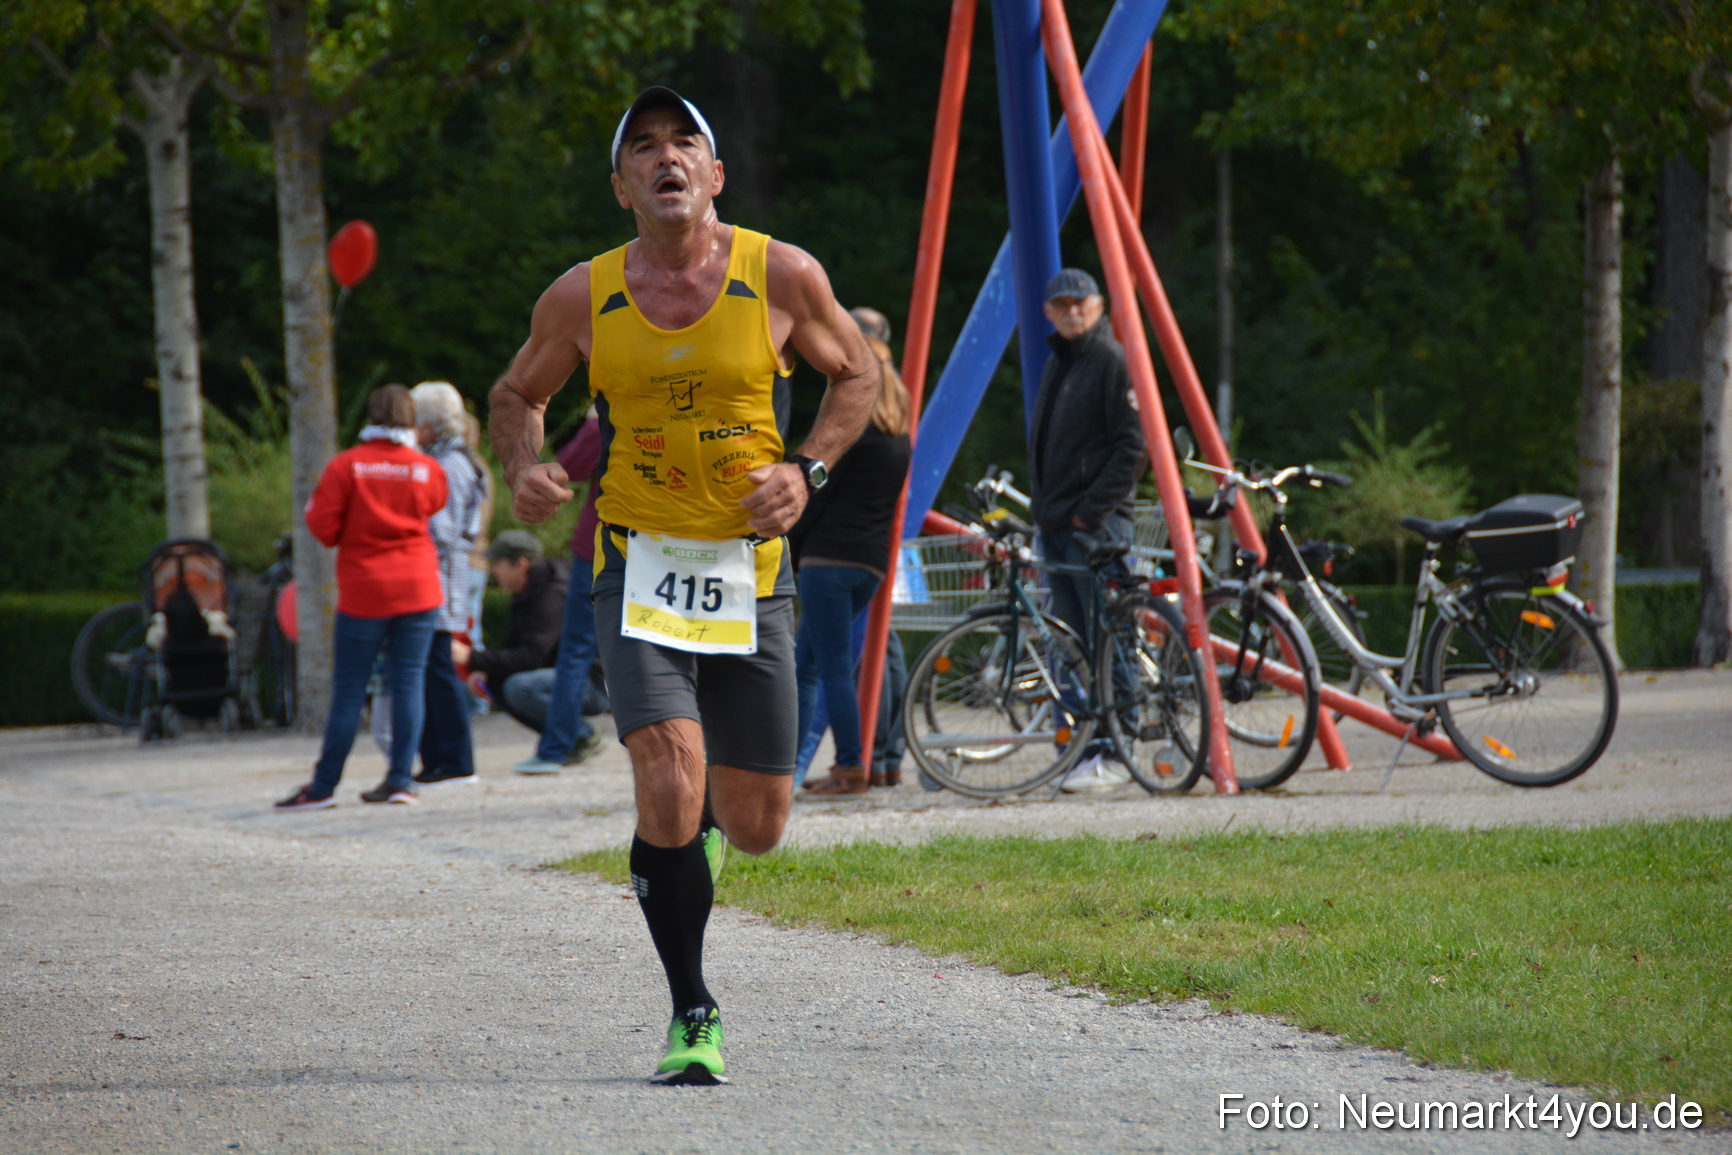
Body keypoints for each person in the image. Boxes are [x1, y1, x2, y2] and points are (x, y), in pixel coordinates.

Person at [488, 86, 876, 1085]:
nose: (666, 157)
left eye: (684, 143)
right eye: (644, 147)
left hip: (751, 573)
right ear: (622, 187)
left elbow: (858, 375)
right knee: (666, 777)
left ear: (715, 175)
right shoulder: (582, 295)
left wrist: (808, 469)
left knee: (755, 826)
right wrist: (523, 465)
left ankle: (685, 839)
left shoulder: (781, 274)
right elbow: (517, 392)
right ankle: (692, 1009)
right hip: (638, 565)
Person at [274, 384, 447, 811]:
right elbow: (436, 505)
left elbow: (322, 526)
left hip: (365, 590)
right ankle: (401, 780)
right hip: (418, 586)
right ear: (411, 418)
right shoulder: (426, 467)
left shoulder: (346, 465)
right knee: (409, 683)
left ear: (371, 415)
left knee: (350, 689)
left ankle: (323, 786)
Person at [1027, 268, 1148, 793]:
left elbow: (1133, 445)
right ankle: (1097, 745)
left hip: (1092, 526)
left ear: (1099, 307)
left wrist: (1090, 512)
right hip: (1059, 522)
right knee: (1076, 644)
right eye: (1062, 304)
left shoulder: (1110, 359)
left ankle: (1122, 749)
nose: (1072, 311)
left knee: (1107, 637)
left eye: (1081, 303)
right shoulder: (1060, 361)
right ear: (1048, 313)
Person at [794, 319, 912, 795]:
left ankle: (848, 765)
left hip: (828, 560)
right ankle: (787, 767)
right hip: (870, 563)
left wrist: (790, 546)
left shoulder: (853, 434)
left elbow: (816, 496)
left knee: (830, 669)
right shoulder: (899, 439)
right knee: (807, 665)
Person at [510, 412, 610, 774]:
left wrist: (594, 421)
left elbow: (569, 470)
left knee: (576, 650)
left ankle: (557, 747)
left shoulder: (617, 410)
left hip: (602, 545)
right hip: (664, 547)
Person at [410, 381, 487, 787]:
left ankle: (456, 760)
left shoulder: (450, 465)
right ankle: (439, 759)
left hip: (441, 578)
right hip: (438, 576)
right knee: (431, 668)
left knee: (438, 668)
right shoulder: (444, 460)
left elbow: (445, 528)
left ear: (429, 424)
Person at [458, 530, 568, 729]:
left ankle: (580, 735)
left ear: (520, 564)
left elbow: (531, 657)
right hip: (560, 673)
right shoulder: (528, 590)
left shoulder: (550, 596)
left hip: (590, 680)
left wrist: (469, 657)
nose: (493, 571)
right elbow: (516, 647)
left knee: (519, 688)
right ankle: (562, 740)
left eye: (497, 563)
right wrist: (485, 670)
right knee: (493, 682)